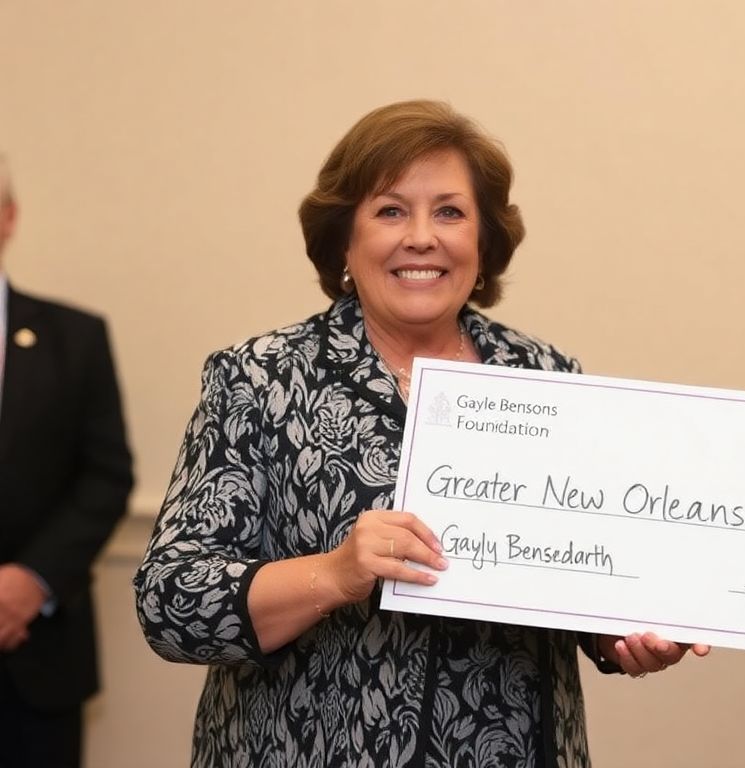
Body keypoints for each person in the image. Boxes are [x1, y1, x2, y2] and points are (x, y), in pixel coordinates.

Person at [133, 100, 708, 767]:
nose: (421, 237)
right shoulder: (259, 380)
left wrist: (622, 637)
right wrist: (335, 573)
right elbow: (171, 602)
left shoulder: (547, 377)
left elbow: (584, 575)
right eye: (390, 210)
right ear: (344, 239)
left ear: (484, 242)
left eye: (450, 212)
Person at [0, 153, 135, 767]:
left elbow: (107, 476)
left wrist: (30, 583)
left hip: (40, 665)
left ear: (7, 218)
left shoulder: (75, 337)